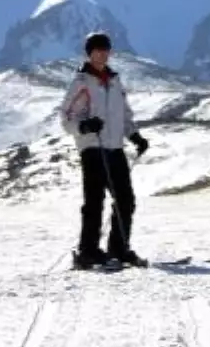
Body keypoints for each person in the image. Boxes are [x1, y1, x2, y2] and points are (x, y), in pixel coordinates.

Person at [60, 31, 150, 269]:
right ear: (89, 53)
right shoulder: (81, 82)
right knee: (94, 200)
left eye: (105, 49)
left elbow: (125, 114)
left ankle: (119, 249)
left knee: (126, 199)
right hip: (92, 147)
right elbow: (66, 118)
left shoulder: (114, 80)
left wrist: (135, 136)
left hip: (115, 148)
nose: (102, 53)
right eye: (97, 49)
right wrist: (84, 126)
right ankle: (88, 251)